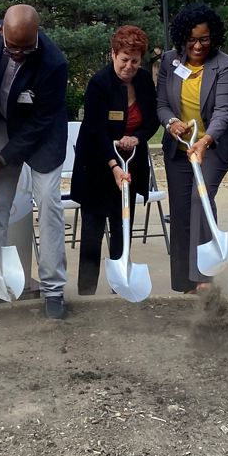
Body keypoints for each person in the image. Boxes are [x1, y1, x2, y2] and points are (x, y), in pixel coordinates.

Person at [0, 4, 70, 319]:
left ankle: (53, 290)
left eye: (27, 48)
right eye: (13, 48)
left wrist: (3, 158)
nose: (20, 55)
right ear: (1, 33)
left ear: (37, 33)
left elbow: (39, 124)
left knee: (49, 203)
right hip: (4, 124)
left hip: (43, 136)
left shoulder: (54, 63)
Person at [156, 5, 228, 294]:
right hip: (179, 144)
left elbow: (223, 111)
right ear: (182, 38)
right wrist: (171, 123)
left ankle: (205, 276)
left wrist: (205, 141)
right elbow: (162, 104)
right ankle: (185, 283)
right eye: (191, 40)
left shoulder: (225, 64)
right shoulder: (169, 61)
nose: (197, 46)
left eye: (204, 39)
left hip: (214, 144)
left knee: (199, 197)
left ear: (213, 38)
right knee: (180, 210)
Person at [70, 25, 159, 295]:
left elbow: (152, 120)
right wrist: (113, 165)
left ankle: (120, 289)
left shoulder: (143, 81)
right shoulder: (99, 83)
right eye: (124, 59)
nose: (129, 66)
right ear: (113, 54)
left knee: (123, 228)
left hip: (130, 165)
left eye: (135, 61)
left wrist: (138, 138)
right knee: (93, 234)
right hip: (97, 165)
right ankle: (87, 294)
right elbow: (96, 129)